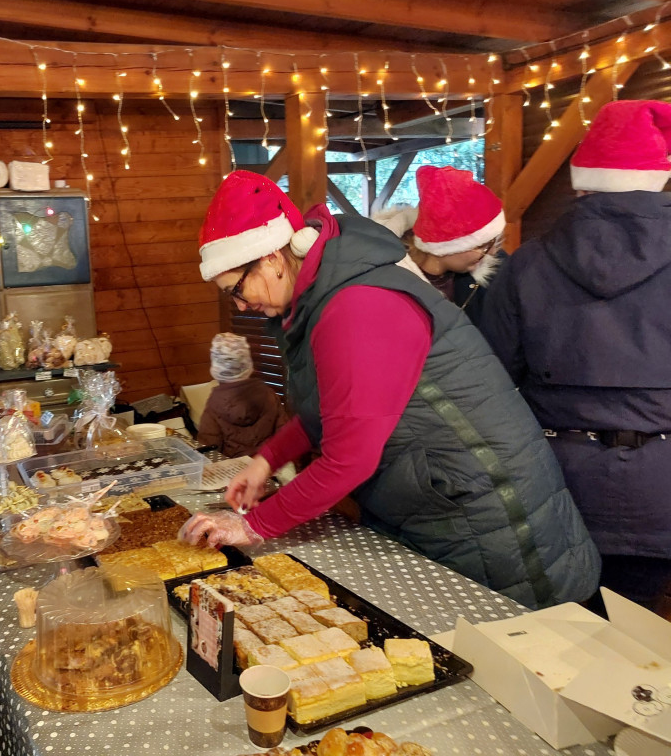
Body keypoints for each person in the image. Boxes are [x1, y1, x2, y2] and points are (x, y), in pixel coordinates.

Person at [178, 170, 600, 610]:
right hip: (444, 501)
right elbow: (334, 407)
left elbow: (348, 458)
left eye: (237, 290)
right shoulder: (325, 295)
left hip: (491, 519)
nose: (242, 306)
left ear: (270, 258)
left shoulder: (356, 306)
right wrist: (266, 461)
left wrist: (252, 526)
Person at [480, 100, 671, 619]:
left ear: (581, 184)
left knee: (555, 633)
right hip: (661, 488)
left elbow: (487, 380)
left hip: (556, 482)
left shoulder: (525, 265)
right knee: (639, 638)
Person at [374, 165, 506, 327]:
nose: (492, 252)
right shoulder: (387, 281)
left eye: (493, 241)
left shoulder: (496, 271)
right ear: (446, 247)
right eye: (483, 245)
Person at [196, 332, 289, 458]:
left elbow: (208, 451)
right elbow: (285, 436)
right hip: (268, 467)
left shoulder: (214, 404)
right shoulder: (268, 394)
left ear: (216, 367)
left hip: (235, 473)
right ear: (248, 363)